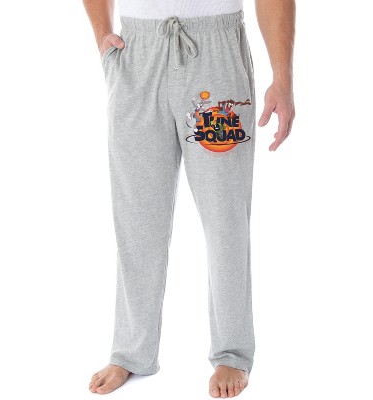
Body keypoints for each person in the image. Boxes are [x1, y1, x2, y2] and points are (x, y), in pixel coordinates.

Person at [83, 0, 295, 397]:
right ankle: (131, 351)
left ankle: (232, 351)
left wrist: (282, 76)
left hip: (216, 55)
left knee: (225, 216)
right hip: (135, 55)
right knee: (137, 218)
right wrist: (101, 33)